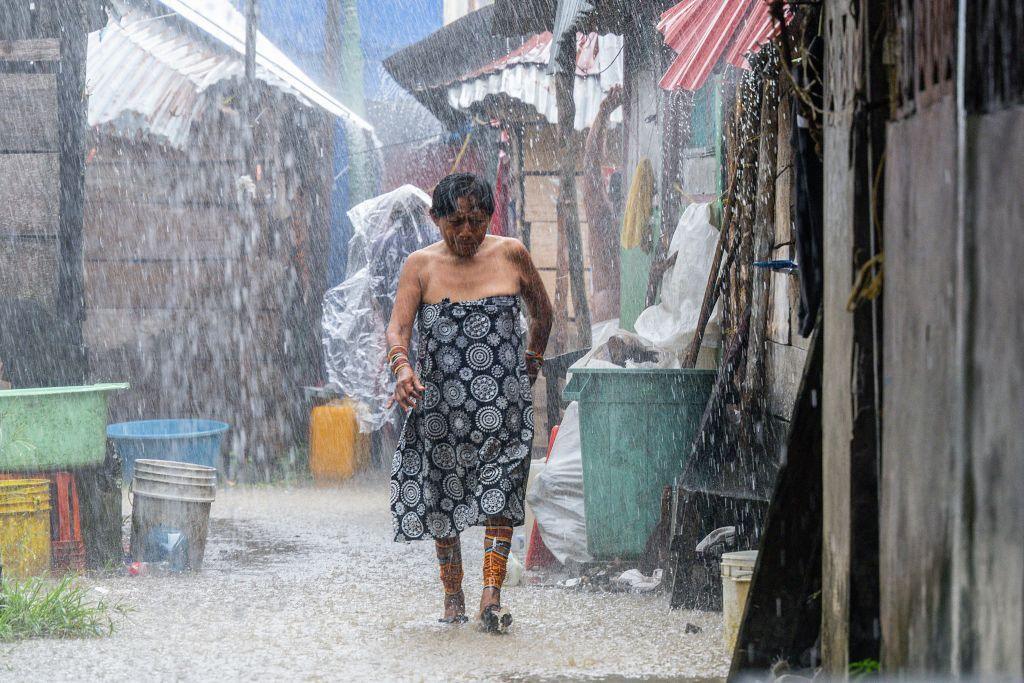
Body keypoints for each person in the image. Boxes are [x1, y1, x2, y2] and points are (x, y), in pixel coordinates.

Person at [385, 173, 553, 632]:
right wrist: (402, 369)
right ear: (435, 218)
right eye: (455, 221)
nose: (465, 233)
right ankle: (453, 597)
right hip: (440, 411)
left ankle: (491, 597)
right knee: (444, 499)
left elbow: (543, 312)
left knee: (501, 494)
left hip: (504, 409)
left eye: (476, 222)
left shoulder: (511, 253)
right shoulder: (420, 266)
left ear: (489, 219)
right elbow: (398, 329)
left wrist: (531, 363)